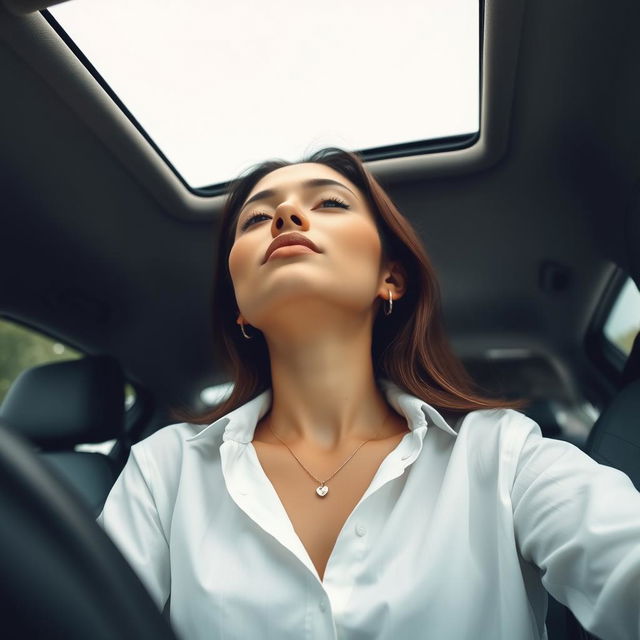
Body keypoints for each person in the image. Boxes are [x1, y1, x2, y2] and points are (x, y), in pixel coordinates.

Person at [97, 148, 640, 640]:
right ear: (239, 302)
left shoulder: (504, 455)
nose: (286, 218)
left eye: (330, 203)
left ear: (391, 279)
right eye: (257, 218)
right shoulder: (162, 473)